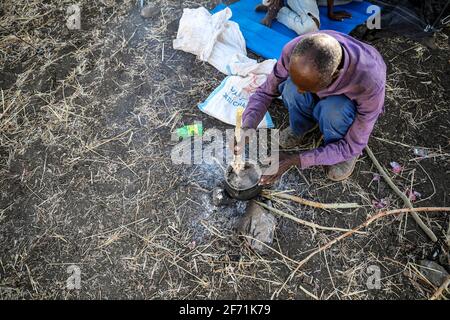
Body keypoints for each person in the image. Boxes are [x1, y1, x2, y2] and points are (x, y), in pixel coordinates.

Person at [237, 30, 386, 184]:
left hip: (342, 106)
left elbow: (352, 145)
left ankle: (337, 149)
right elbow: (266, 91)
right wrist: (249, 125)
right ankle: (302, 125)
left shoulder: (369, 82)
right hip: (323, 83)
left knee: (334, 111)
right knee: (290, 89)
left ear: (334, 76)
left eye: (308, 87)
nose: (301, 91)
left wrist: (296, 160)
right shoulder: (295, 49)